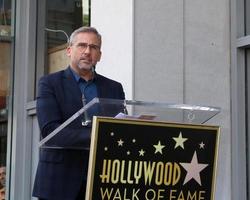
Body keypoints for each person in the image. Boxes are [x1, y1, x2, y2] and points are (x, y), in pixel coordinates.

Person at [32, 27, 125, 200]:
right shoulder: (49, 83)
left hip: (102, 179)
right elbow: (51, 131)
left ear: (99, 55)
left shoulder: (114, 88)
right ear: (69, 50)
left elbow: (120, 129)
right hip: (59, 181)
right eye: (82, 45)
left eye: (93, 47)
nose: (87, 51)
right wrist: (98, 135)